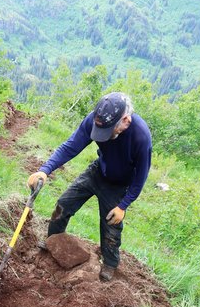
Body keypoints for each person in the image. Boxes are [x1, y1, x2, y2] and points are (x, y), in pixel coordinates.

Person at [27, 92, 152, 281]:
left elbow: (140, 178)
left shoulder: (141, 137)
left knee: (111, 226)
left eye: (110, 130)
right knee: (63, 205)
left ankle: (110, 264)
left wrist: (123, 206)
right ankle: (54, 241)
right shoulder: (96, 120)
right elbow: (71, 146)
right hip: (97, 172)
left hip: (118, 185)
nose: (105, 135)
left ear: (125, 120)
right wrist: (44, 170)